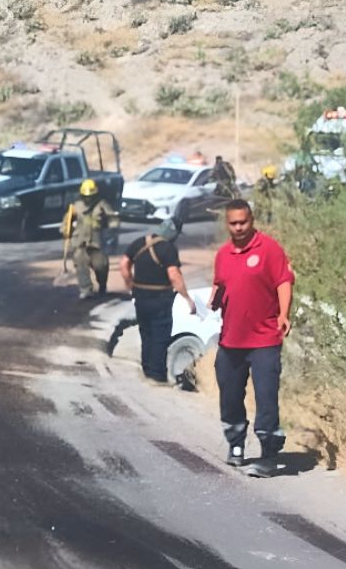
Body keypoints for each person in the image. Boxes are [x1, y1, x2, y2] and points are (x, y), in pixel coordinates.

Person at [209, 199, 294, 478]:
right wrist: (214, 298)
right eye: (233, 223)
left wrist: (284, 313)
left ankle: (268, 456)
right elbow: (221, 283)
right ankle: (236, 444)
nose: (238, 227)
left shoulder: (269, 248)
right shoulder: (223, 254)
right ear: (227, 224)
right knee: (230, 396)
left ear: (252, 220)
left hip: (264, 339)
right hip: (231, 340)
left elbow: (283, 281)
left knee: (266, 397)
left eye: (243, 222)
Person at [120, 218, 196, 384]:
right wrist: (187, 298)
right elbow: (174, 276)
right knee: (160, 336)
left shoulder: (139, 242)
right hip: (160, 298)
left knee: (146, 333)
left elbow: (124, 264)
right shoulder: (168, 248)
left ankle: (146, 369)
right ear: (174, 234)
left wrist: (130, 285)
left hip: (140, 296)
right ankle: (157, 375)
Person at [64, 179, 118, 299]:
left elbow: (113, 218)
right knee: (81, 265)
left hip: (97, 241)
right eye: (85, 196)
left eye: (90, 196)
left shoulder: (102, 204)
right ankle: (86, 289)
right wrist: (65, 231)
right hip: (80, 241)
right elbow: (67, 222)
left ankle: (102, 285)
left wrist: (111, 229)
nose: (88, 199)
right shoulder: (76, 206)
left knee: (101, 266)